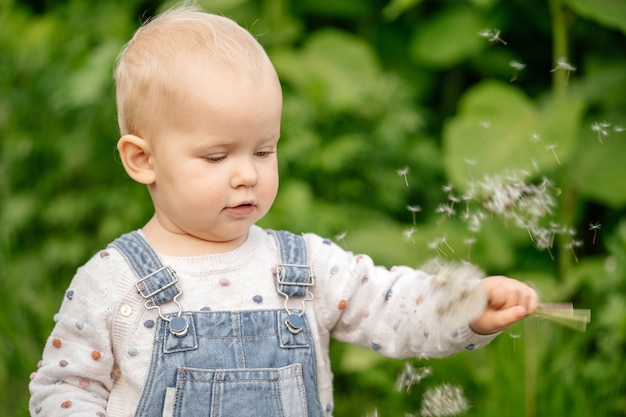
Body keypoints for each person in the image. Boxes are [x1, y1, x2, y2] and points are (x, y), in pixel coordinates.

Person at [29, 5, 538, 417]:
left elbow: (390, 304)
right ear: (143, 160)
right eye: (215, 156)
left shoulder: (302, 268)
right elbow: (64, 388)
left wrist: (467, 308)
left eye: (263, 150)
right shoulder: (113, 282)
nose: (246, 174)